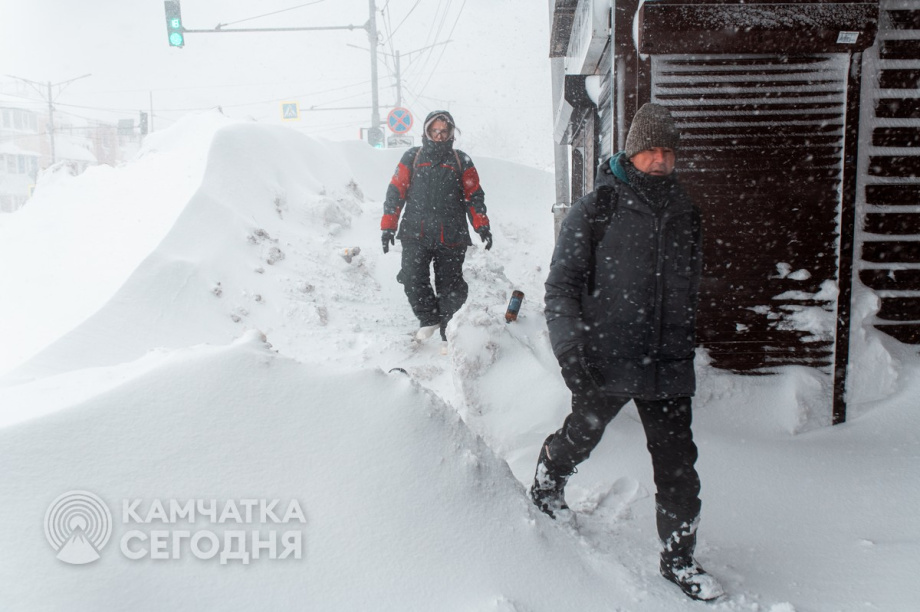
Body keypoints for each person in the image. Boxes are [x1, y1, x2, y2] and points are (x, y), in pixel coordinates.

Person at [530, 103, 724, 601]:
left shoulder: (687, 214)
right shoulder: (596, 209)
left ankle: (679, 559)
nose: (660, 160)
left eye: (667, 151)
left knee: (679, 465)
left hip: (668, 361)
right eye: (650, 151)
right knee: (582, 435)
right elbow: (561, 288)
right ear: (632, 152)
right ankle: (549, 480)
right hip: (607, 356)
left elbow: (689, 286)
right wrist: (570, 348)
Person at [380, 110, 492, 344]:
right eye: (435, 131)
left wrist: (482, 225)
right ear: (426, 132)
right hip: (415, 232)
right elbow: (396, 192)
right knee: (411, 277)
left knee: (450, 286)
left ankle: (449, 334)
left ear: (451, 133)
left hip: (451, 235)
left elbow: (474, 196)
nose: (439, 136)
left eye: (444, 131)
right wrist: (388, 226)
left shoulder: (462, 160)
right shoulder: (412, 157)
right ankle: (429, 318)